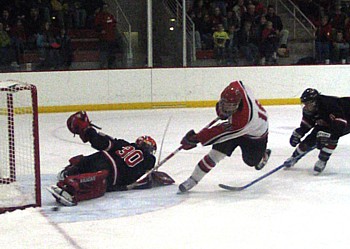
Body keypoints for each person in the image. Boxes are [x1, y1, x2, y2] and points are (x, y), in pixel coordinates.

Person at [48, 111, 174, 206]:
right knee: (100, 184)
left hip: (102, 158)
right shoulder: (150, 160)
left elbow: (103, 143)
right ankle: (71, 189)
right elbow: (144, 181)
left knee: (90, 160)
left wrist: (89, 131)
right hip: (112, 174)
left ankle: (72, 170)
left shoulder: (125, 144)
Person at [178, 80, 271, 193]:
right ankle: (193, 179)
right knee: (216, 153)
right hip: (245, 123)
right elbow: (239, 83)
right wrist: (221, 110)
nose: (227, 108)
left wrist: (197, 138)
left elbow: (218, 133)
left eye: (231, 106)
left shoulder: (242, 121)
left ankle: (263, 156)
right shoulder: (236, 86)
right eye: (225, 104)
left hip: (256, 134)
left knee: (251, 161)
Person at [284, 88, 350, 174]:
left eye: (308, 103)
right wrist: (299, 132)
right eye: (304, 104)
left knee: (330, 138)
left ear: (315, 102)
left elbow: (340, 123)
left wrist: (329, 135)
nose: (306, 106)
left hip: (346, 119)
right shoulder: (309, 110)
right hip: (329, 122)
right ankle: (294, 157)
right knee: (309, 140)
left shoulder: (328, 105)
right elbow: (307, 124)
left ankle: (322, 160)